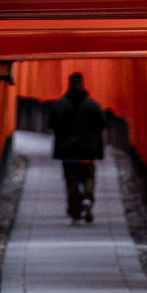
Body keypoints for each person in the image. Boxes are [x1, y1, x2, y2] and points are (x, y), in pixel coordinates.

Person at [45, 72, 107, 223]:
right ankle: (87, 197)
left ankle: (75, 210)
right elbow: (102, 124)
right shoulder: (92, 105)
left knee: (70, 180)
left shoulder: (60, 105)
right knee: (89, 177)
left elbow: (51, 124)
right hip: (88, 150)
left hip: (67, 150)